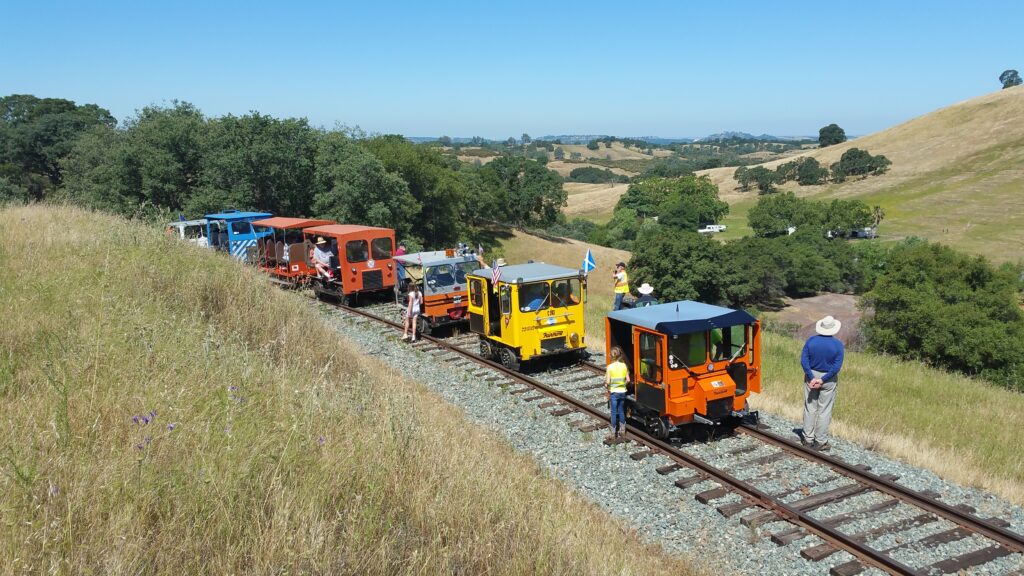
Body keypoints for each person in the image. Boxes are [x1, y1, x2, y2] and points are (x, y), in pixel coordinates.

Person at [800, 315, 845, 451]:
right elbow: (837, 367)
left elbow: (804, 360)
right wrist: (823, 380)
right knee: (824, 410)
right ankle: (820, 441)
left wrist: (812, 377)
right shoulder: (838, 345)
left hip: (811, 376)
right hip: (828, 379)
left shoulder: (811, 341)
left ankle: (807, 439)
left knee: (810, 408)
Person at [606, 346, 630, 439]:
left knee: (613, 412)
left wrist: (607, 386)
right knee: (621, 411)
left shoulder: (610, 367)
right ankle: (623, 430)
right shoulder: (624, 366)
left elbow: (608, 382)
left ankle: (613, 433)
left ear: (611, 356)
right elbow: (628, 380)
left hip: (614, 393)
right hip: (622, 392)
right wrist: (622, 385)